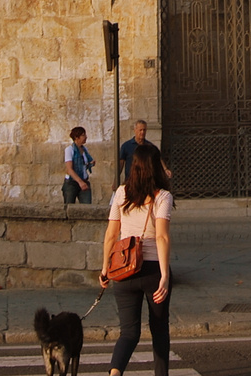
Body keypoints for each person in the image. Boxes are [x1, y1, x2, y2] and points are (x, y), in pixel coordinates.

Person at [101, 141, 172, 376]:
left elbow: (111, 235)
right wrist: (164, 275)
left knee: (128, 333)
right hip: (152, 270)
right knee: (159, 330)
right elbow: (161, 237)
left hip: (124, 269)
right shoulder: (163, 197)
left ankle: (114, 373)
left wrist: (105, 270)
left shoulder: (121, 193)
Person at [63, 126, 94, 205]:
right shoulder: (70, 150)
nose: (85, 137)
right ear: (77, 137)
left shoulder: (85, 150)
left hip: (84, 180)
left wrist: (90, 164)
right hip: (71, 183)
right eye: (83, 135)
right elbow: (70, 169)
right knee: (69, 206)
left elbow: (84, 164)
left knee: (86, 205)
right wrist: (80, 182)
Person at [117, 119, 152, 185]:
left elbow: (157, 159)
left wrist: (165, 169)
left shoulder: (149, 146)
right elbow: (121, 163)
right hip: (130, 182)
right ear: (135, 130)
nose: (142, 132)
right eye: (140, 130)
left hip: (145, 182)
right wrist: (115, 180)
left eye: (144, 130)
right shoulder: (126, 146)